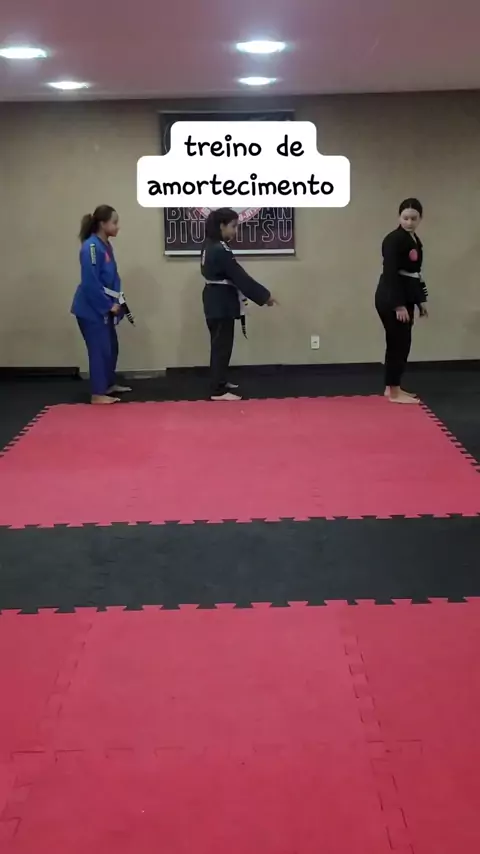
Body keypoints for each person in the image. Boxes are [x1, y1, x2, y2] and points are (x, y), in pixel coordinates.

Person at [201, 208, 277, 401]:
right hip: (219, 302)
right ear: (222, 226)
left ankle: (220, 380)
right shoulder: (220, 249)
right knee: (221, 345)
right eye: (233, 226)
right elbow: (239, 276)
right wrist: (264, 296)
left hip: (216, 299)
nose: (235, 231)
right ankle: (217, 390)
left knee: (222, 344)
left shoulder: (209, 244)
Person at [71, 205, 132, 405]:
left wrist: (118, 301)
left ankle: (108, 384)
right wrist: (107, 305)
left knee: (111, 347)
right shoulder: (91, 247)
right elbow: (90, 282)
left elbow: (112, 278)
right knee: (99, 349)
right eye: (114, 222)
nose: (118, 226)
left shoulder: (105, 246)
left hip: (106, 304)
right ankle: (97, 393)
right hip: (91, 309)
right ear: (102, 224)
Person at [375, 198, 428, 404]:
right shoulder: (393, 239)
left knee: (401, 342)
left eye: (414, 218)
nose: (409, 222)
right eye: (405, 218)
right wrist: (398, 305)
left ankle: (392, 387)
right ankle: (394, 392)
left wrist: (421, 301)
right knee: (398, 342)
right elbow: (391, 273)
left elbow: (415, 274)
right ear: (399, 217)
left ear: (420, 218)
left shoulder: (414, 240)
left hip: (406, 295)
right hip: (390, 297)